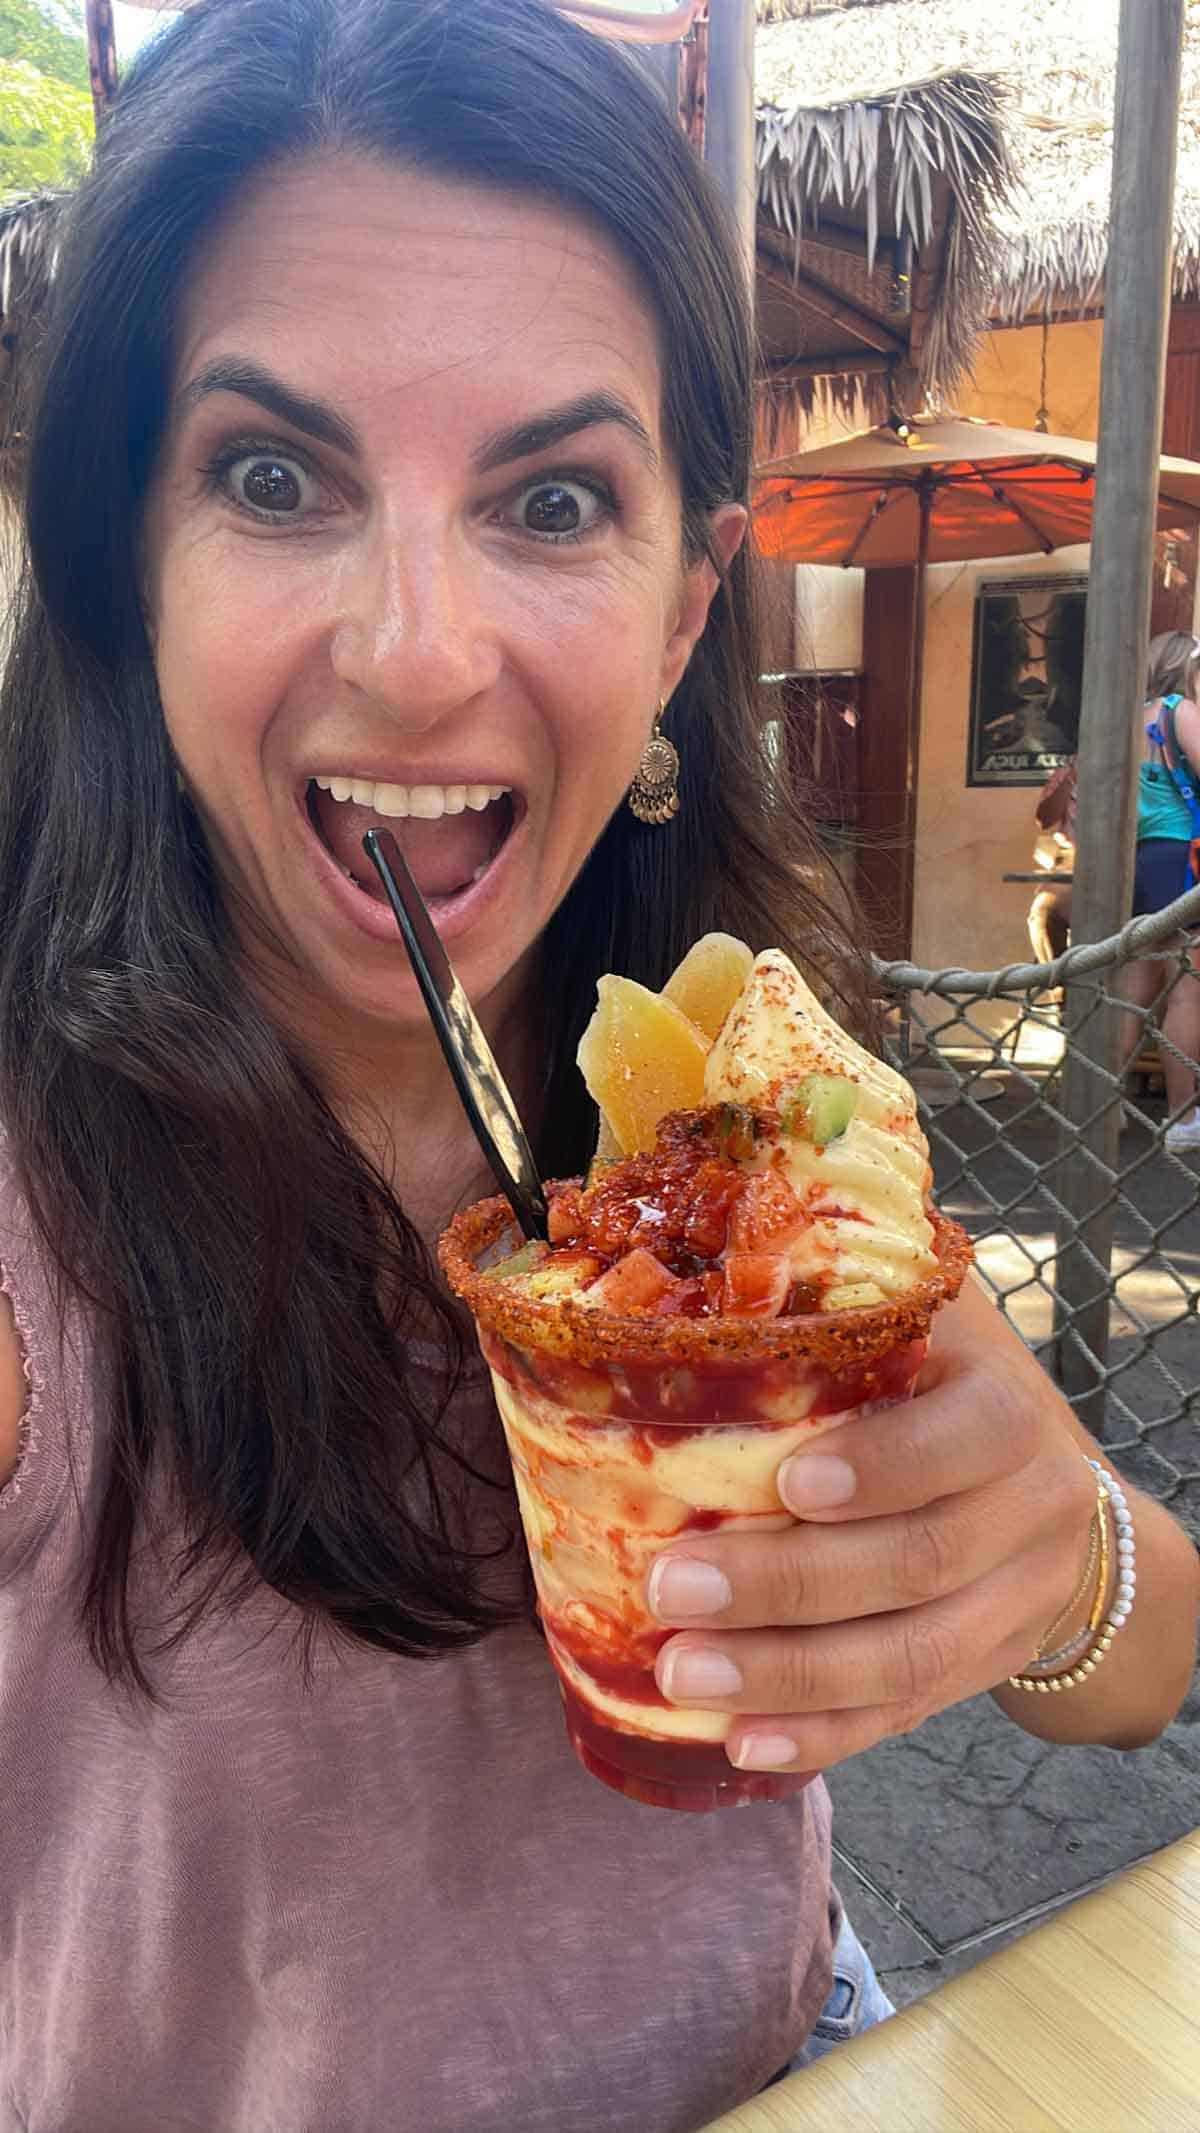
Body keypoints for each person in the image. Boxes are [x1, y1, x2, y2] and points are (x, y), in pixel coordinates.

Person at [0, 3, 1196, 2127]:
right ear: (126, 562)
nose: (421, 649)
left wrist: (1055, 1554)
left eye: (553, 498)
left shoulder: (746, 1119)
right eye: (272, 477)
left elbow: (1146, 1665)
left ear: (679, 607)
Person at [1120, 631, 1200, 1151]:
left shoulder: (1129, 718)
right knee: (1188, 988)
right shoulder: (1181, 710)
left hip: (1139, 858)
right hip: (1180, 855)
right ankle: (1182, 1119)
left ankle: (1101, 1109)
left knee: (1131, 989)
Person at [1027, 756, 1076, 964]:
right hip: (1072, 861)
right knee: (1043, 912)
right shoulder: (1070, 769)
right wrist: (1069, 778)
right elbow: (1044, 819)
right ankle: (1057, 987)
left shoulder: (1137, 765)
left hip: (1125, 861)